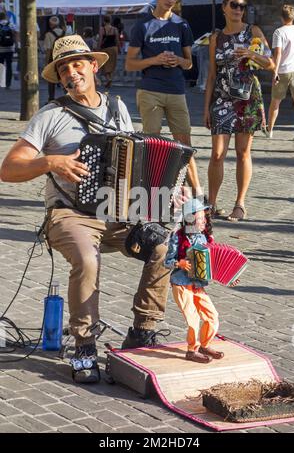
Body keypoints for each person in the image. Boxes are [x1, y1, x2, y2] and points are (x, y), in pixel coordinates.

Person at [0, 35, 171, 384]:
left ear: (94, 66)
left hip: (116, 212)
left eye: (77, 64)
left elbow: (134, 163)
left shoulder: (118, 107)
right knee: (87, 257)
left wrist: (162, 196)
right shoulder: (51, 115)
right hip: (68, 214)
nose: (71, 72)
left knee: (165, 246)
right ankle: (84, 345)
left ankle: (142, 330)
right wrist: (50, 161)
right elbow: (8, 168)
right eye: (63, 68)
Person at [125, 0, 202, 197]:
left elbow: (189, 64)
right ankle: (154, 196)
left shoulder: (182, 25)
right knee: (152, 144)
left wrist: (177, 60)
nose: (170, 1)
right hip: (150, 91)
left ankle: (198, 196)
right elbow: (130, 64)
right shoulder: (142, 25)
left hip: (176, 91)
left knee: (185, 143)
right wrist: (155, 60)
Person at [204, 0, 274, 221]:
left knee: (243, 152)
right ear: (224, 7)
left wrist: (251, 53)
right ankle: (211, 204)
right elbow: (212, 75)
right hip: (222, 98)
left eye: (242, 6)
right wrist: (206, 108)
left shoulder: (252, 31)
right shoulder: (216, 38)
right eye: (234, 5)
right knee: (216, 154)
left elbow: (270, 64)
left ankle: (239, 204)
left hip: (247, 99)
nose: (238, 9)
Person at [164, 198, 224, 363]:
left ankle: (205, 344)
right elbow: (166, 262)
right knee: (193, 318)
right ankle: (192, 350)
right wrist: (179, 263)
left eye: (204, 218)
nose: (203, 221)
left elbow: (214, 262)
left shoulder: (205, 238)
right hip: (181, 284)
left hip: (198, 284)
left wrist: (228, 277)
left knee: (212, 315)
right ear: (190, 220)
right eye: (199, 218)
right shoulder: (178, 237)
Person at [266, 5, 294, 141]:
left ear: (281, 17)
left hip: (283, 71)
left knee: (275, 102)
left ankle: (270, 131)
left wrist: (275, 71)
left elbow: (278, 53)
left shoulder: (278, 32)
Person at [43, 16, 65, 102]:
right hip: (63, 57)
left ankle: (51, 98)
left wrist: (46, 62)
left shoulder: (48, 34)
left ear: (50, 24)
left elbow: (48, 49)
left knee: (50, 78)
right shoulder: (65, 32)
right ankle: (68, 94)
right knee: (64, 76)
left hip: (52, 58)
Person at [98, 15, 120, 88]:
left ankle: (108, 79)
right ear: (110, 21)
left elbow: (100, 40)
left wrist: (98, 48)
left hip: (105, 49)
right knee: (111, 65)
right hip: (114, 49)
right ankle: (110, 79)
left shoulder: (102, 29)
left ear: (104, 21)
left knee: (104, 65)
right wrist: (118, 48)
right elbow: (117, 40)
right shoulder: (115, 29)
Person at [0, 10, 17, 89]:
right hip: (10, 48)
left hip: (0, 49)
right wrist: (16, 45)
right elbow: (15, 34)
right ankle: (8, 83)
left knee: (1, 65)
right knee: (9, 66)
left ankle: (1, 82)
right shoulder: (11, 24)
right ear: (6, 17)